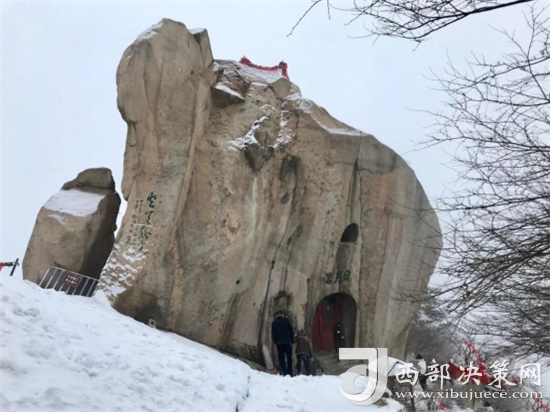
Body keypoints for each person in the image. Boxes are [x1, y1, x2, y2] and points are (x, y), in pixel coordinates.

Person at [271, 311, 294, 376]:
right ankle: (290, 372)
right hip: (287, 342)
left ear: (276, 316)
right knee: (289, 358)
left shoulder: (274, 323)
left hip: (279, 343)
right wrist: (291, 340)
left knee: (281, 358)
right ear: (281, 315)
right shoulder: (286, 321)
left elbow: (273, 334)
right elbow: (291, 330)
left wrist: (275, 341)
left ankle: (285, 372)